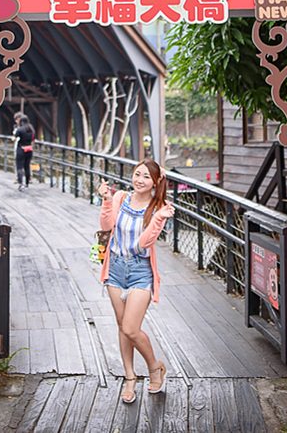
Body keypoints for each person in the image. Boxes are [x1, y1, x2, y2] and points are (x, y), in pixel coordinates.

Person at [97, 159, 175, 404]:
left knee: (131, 327)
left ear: (155, 182)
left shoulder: (158, 207)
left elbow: (144, 243)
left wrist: (159, 219)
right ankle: (130, 376)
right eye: (137, 174)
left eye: (146, 177)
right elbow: (107, 225)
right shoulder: (121, 197)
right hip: (116, 268)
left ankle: (154, 367)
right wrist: (107, 200)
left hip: (141, 271)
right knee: (122, 326)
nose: (139, 180)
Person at [14, 115, 35, 192]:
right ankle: (27, 183)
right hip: (29, 149)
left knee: (19, 167)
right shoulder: (31, 129)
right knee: (27, 166)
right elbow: (33, 139)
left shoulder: (20, 129)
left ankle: (20, 183)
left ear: (21, 121)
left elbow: (15, 137)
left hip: (21, 149)